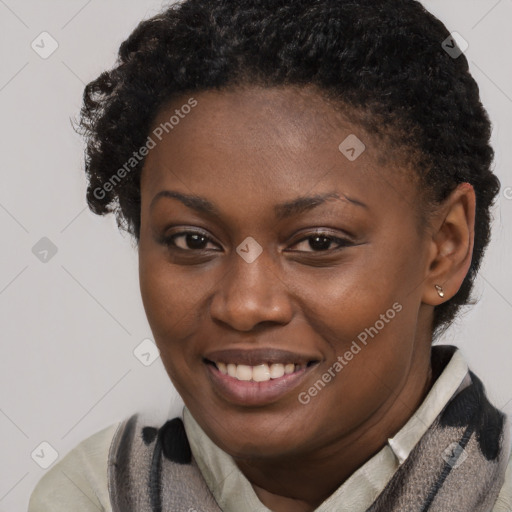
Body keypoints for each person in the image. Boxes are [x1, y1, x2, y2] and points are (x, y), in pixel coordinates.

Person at [28, 0, 512, 510]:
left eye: (318, 243)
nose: (244, 305)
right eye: (193, 241)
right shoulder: (90, 495)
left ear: (445, 247)